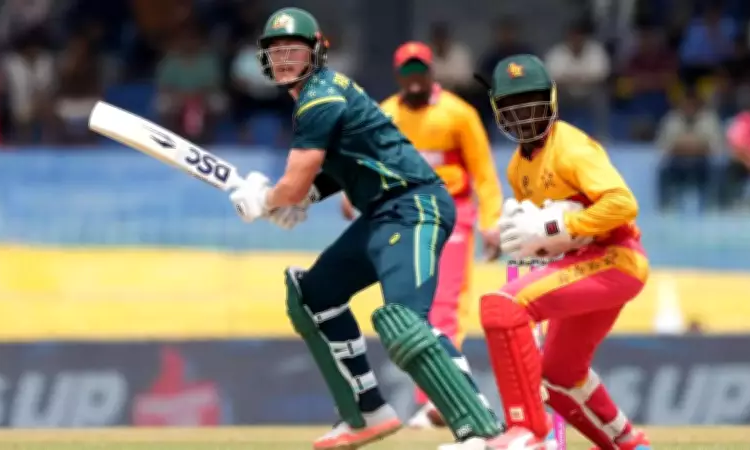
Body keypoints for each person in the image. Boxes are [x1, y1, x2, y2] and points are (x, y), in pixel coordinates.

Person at [227, 8, 504, 450]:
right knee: (313, 295)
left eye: (294, 50)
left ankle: (482, 432)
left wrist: (267, 199)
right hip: (381, 212)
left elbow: (293, 183)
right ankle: (366, 413)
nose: (285, 59)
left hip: (414, 206)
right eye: (276, 51)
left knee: (404, 323)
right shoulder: (323, 94)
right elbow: (349, 163)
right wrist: (303, 199)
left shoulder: (318, 98)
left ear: (317, 52)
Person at [450, 54, 652, 450]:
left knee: (502, 307)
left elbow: (623, 205)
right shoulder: (517, 169)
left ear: (552, 99)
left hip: (617, 258)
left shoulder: (572, 148)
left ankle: (527, 430)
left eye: (532, 103)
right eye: (512, 106)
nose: (524, 116)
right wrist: (532, 241)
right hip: (585, 263)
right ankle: (630, 444)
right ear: (497, 110)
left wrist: (553, 227)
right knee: (559, 375)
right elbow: (553, 239)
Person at [340, 41, 503, 429]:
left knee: (444, 305)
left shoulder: (458, 114)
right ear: (399, 75)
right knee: (409, 310)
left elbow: (483, 172)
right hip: (405, 216)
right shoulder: (385, 113)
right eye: (407, 72)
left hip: (453, 214)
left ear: (431, 73)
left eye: (420, 71)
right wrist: (350, 192)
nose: (414, 79)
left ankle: (440, 401)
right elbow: (363, 161)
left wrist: (491, 220)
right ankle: (434, 398)